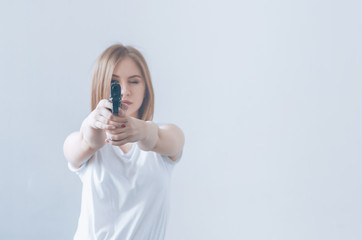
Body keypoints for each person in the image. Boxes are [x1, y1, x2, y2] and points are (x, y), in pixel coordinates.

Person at [63, 44, 185, 240]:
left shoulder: (167, 135)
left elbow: (163, 140)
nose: (125, 91)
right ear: (101, 85)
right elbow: (80, 146)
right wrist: (93, 128)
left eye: (134, 81)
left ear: (146, 88)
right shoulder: (85, 142)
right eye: (114, 82)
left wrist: (143, 131)